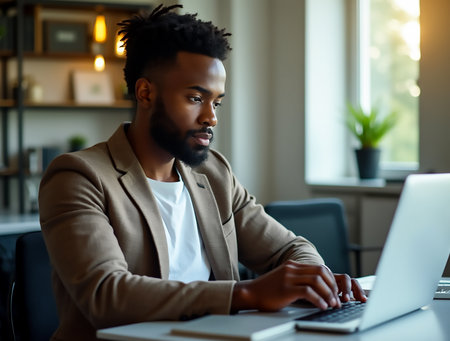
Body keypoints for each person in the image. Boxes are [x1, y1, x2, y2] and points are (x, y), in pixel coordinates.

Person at [39, 4, 367, 341]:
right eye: (196, 98)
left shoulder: (214, 173)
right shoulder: (78, 176)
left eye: (217, 102)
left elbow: (288, 249)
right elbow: (106, 294)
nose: (211, 117)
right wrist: (246, 294)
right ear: (145, 93)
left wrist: (314, 278)